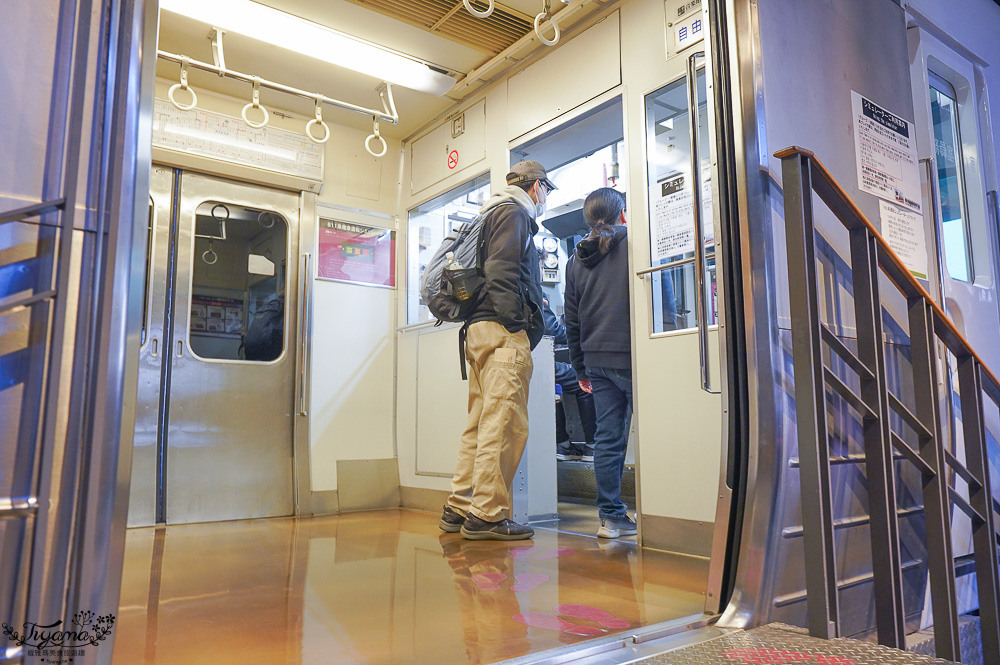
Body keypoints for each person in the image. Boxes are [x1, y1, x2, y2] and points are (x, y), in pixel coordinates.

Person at [439, 160, 554, 541]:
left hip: (477, 332)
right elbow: (501, 271)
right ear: (536, 187)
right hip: (500, 332)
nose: (545, 198)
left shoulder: (489, 212)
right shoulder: (514, 213)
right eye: (547, 191)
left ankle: (459, 506)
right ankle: (487, 515)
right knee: (503, 424)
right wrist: (515, 323)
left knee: (479, 423)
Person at [564, 187, 636, 539]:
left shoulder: (575, 259)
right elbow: (665, 304)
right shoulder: (638, 245)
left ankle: (611, 517)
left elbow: (572, 320)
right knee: (653, 435)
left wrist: (579, 368)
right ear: (623, 213)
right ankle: (664, 513)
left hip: (596, 362)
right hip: (635, 357)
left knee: (608, 439)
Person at [542, 297, 597, 461]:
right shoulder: (533, 286)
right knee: (586, 383)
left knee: (553, 387)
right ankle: (593, 447)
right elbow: (551, 329)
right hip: (536, 361)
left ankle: (564, 445)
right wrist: (581, 337)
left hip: (526, 359)